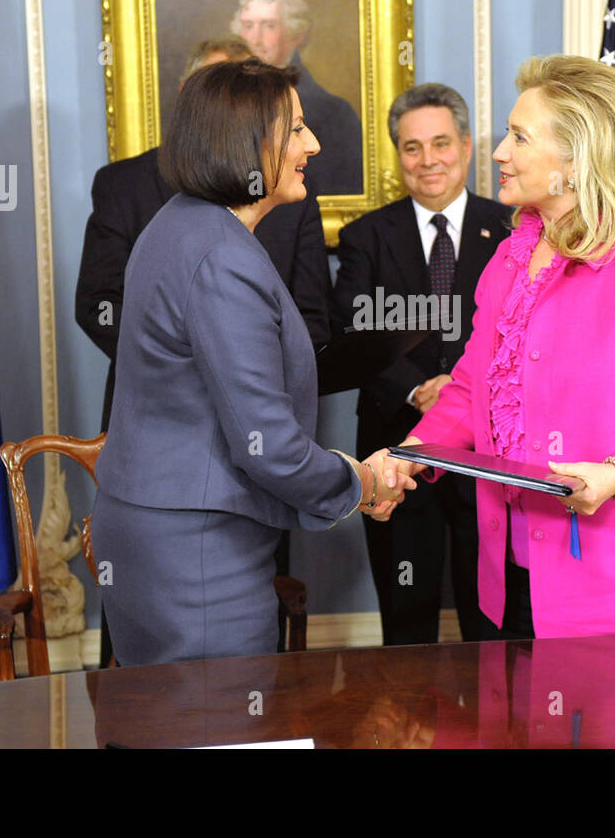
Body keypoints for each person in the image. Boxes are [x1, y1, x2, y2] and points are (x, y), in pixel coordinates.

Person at [373, 55, 615, 640]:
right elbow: (473, 389)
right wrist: (408, 455)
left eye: (519, 137)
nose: (499, 153)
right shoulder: (510, 259)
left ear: (577, 158)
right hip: (516, 576)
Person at [90, 59, 410, 665]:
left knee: (168, 723)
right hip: (198, 551)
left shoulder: (180, 224)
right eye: (295, 130)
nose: (312, 144)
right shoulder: (221, 256)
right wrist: (362, 482)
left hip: (157, 531)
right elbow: (268, 445)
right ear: (246, 142)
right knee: (225, 724)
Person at [76, 35, 331, 431]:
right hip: (167, 423)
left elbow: (311, 318)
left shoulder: (285, 196)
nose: (311, 144)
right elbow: (99, 306)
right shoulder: (185, 222)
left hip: (263, 423)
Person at [332, 83, 509, 644]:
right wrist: (419, 392)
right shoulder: (365, 237)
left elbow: (520, 330)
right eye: (412, 148)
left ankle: (498, 726)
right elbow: (354, 329)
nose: (428, 160)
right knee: (407, 618)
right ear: (398, 155)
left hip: (490, 450)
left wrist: (459, 390)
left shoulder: (514, 229)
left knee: (494, 618)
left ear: (466, 146)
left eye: (440, 143)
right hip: (398, 448)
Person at [231, 0, 363, 196]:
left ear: (297, 34)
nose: (255, 39)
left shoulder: (334, 113)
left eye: (269, 26)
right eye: (248, 26)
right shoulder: (227, 104)